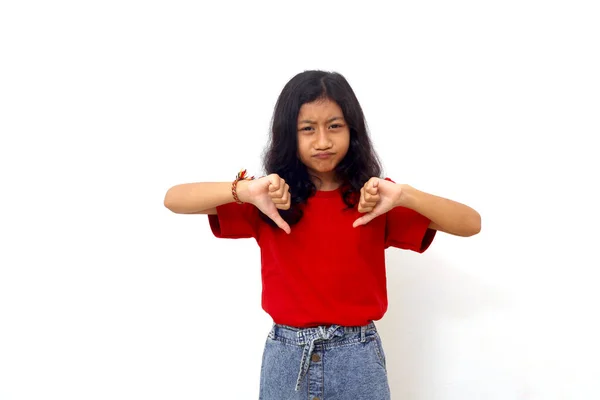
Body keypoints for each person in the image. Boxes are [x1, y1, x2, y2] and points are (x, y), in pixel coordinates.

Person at [164, 70, 481, 399]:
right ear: (289, 134)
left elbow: (471, 223)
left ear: (352, 130)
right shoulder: (268, 199)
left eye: (334, 126)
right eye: (307, 129)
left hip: (357, 357)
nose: (323, 142)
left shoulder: (374, 200)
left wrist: (405, 194)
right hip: (286, 357)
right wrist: (243, 190)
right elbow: (173, 199)